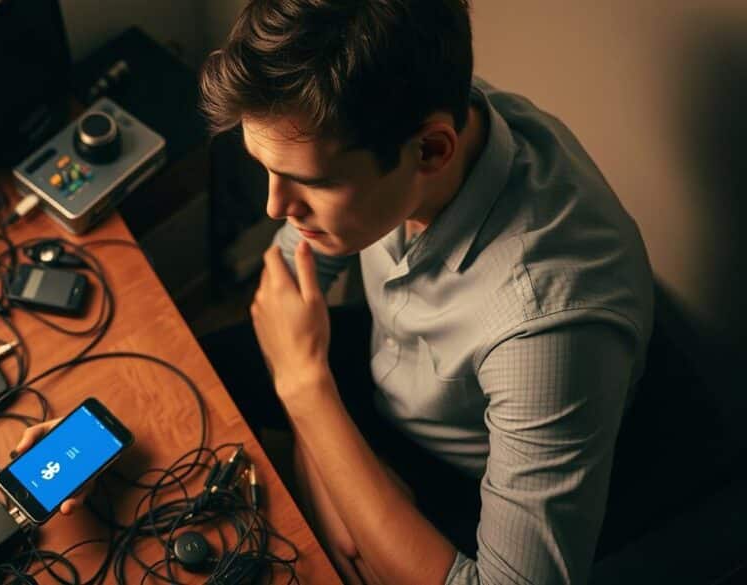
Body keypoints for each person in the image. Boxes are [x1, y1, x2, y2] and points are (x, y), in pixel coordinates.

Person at [196, 1, 654, 584]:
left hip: (465, 478)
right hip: (384, 384)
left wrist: (307, 389)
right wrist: (325, 448)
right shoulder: (409, 107)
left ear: (432, 152)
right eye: (267, 168)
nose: (275, 208)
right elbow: (283, 276)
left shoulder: (551, 330)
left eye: (311, 182)